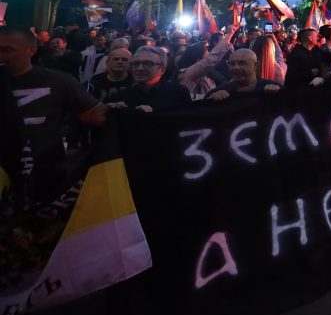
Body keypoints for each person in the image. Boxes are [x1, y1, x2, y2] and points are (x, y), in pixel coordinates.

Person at [0, 26, 106, 204]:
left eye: (7, 50)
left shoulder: (58, 81)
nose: (1, 55)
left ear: (31, 50)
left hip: (44, 174)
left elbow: (95, 114)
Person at [106, 46, 190, 113]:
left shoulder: (178, 92)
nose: (140, 68)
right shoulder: (123, 94)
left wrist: (154, 114)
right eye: (136, 63)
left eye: (148, 63)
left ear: (162, 69)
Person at [207, 48, 281, 100]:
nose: (236, 67)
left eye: (242, 63)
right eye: (232, 64)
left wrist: (278, 94)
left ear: (256, 65)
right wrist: (211, 100)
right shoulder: (220, 92)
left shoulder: (270, 89)